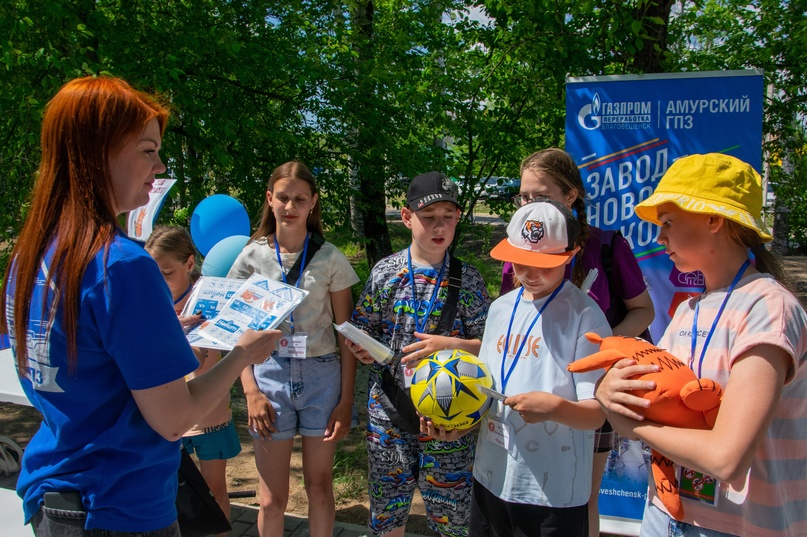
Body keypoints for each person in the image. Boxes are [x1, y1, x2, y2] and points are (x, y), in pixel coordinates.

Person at [0, 76, 281, 536]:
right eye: (147, 150)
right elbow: (174, 421)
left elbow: (80, 364)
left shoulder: (33, 254)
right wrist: (243, 355)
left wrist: (161, 331)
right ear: (98, 152)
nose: (160, 164)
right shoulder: (122, 266)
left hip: (55, 493)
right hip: (119, 508)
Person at [595, 153, 807, 537]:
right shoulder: (688, 311)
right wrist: (612, 390)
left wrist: (632, 426)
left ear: (714, 219)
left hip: (740, 527)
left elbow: (727, 460)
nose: (660, 237)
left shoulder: (768, 308)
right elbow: (665, 402)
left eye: (669, 223)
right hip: (666, 513)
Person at [502, 148, 655, 536]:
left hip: (591, 390)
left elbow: (643, 311)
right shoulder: (516, 252)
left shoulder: (606, 246)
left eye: (540, 195)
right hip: (531, 389)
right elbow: (509, 321)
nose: (529, 205)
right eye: (524, 197)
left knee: (581, 495)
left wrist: (600, 345)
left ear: (571, 196)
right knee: (524, 493)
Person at [346, 171, 490, 537]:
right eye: (429, 218)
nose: (439, 227)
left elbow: (491, 349)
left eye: (448, 217)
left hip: (450, 419)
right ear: (408, 218)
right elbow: (364, 328)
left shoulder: (469, 279)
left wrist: (454, 345)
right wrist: (361, 346)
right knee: (388, 514)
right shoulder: (385, 273)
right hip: (390, 414)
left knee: (452, 519)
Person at [226, 161, 360, 537]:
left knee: (319, 487)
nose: (290, 206)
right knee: (272, 498)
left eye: (300, 199)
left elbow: (346, 334)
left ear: (313, 203)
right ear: (269, 199)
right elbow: (236, 330)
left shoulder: (330, 257)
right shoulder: (251, 257)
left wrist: (346, 400)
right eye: (282, 197)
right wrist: (250, 391)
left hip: (322, 377)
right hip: (268, 375)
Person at [468, 199, 610, 537]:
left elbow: (597, 414)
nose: (530, 274)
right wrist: (458, 422)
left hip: (551, 494)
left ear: (571, 253)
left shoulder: (586, 317)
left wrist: (555, 408)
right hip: (491, 476)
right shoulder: (500, 308)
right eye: (521, 262)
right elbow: (486, 388)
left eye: (544, 264)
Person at [145, 225, 238, 537]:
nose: (159, 280)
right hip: (166, 413)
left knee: (213, 491)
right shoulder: (147, 303)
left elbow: (199, 358)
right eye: (153, 272)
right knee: (171, 492)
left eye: (167, 272)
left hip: (209, 412)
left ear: (189, 263)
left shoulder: (209, 298)